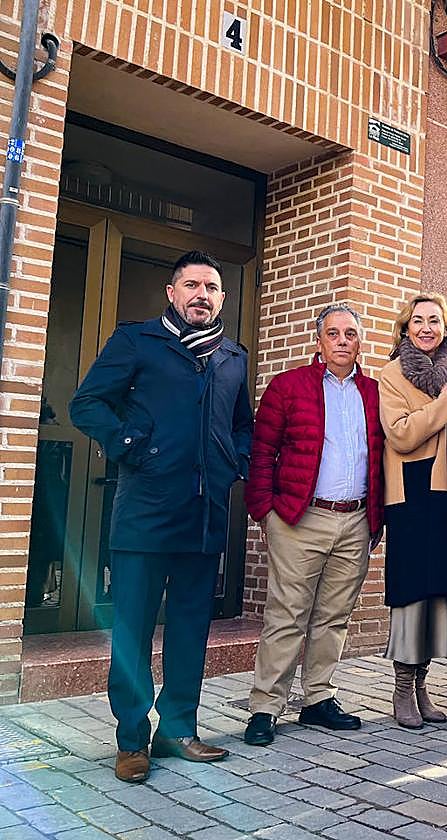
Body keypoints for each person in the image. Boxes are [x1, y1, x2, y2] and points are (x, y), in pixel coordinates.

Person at [69, 250, 253, 783]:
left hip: (204, 514)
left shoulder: (232, 357)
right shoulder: (137, 341)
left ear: (222, 298)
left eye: (211, 287)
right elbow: (87, 404)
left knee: (191, 629)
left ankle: (177, 730)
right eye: (192, 285)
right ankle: (131, 739)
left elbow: (243, 424)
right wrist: (131, 445)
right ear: (172, 293)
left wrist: (233, 463)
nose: (202, 295)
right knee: (132, 631)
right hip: (145, 513)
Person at [242, 303, 385, 747]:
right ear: (318, 341)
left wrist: (376, 517)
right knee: (287, 614)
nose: (342, 341)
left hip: (355, 520)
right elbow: (261, 452)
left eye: (350, 334)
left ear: (360, 342)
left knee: (334, 616)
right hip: (299, 518)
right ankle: (266, 705)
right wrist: (264, 511)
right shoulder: (288, 386)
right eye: (333, 333)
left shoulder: (374, 392)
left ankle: (318, 697)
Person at [378, 292, 447, 729]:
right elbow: (400, 435)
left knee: (439, 589)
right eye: (418, 321)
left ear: (446, 328)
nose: (426, 328)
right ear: (406, 328)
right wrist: (445, 404)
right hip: (410, 495)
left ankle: (422, 685)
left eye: (435, 320)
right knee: (410, 590)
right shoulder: (392, 373)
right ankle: (401, 686)